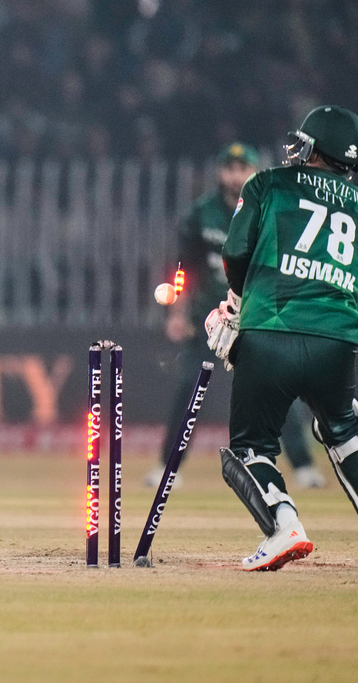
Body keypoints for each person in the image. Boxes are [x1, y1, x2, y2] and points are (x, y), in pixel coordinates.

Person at [206, 105, 358, 571]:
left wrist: (237, 302)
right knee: (345, 431)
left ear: (314, 147)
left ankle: (284, 525)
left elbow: (235, 253)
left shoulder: (267, 183)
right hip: (338, 340)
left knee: (251, 445)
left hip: (271, 331)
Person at [147, 143, 326, 490]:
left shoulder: (271, 210)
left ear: (254, 172)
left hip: (255, 318)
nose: (234, 176)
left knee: (277, 391)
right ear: (219, 173)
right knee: (189, 390)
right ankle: (168, 469)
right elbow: (185, 270)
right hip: (209, 319)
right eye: (229, 168)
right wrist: (178, 312)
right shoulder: (203, 213)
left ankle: (304, 467)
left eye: (242, 169)